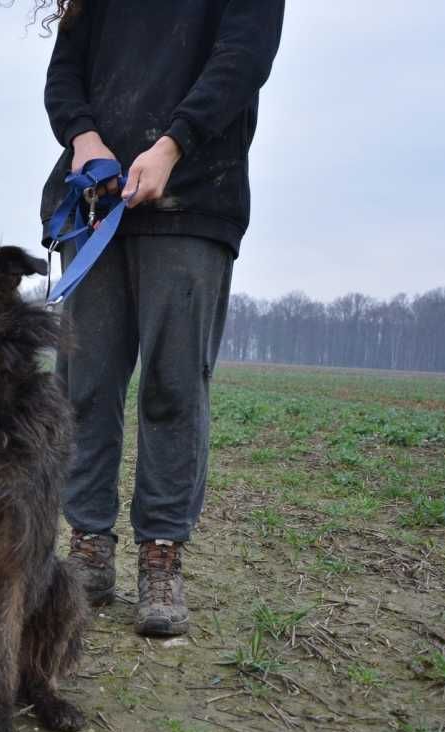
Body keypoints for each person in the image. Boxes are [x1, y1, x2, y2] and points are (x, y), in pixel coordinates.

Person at [39, 1, 284, 636]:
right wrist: (85, 137)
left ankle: (162, 554)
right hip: (96, 205)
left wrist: (173, 145)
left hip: (194, 198)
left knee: (173, 387)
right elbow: (63, 74)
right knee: (84, 385)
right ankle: (88, 545)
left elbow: (242, 60)